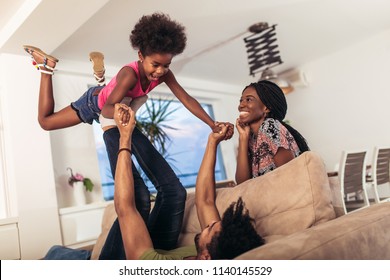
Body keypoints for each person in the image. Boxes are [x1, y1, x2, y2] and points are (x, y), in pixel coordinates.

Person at [23, 12, 232, 258]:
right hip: (98, 106)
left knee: (120, 100)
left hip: (121, 104)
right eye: (156, 64)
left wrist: (211, 123)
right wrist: (120, 108)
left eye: (166, 65)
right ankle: (47, 68)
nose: (160, 71)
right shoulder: (129, 73)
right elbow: (107, 109)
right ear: (140, 56)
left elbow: (185, 98)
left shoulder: (164, 74)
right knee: (46, 122)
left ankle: (101, 80)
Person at [113, 103, 264, 260]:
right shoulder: (212, 250)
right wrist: (213, 142)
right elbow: (205, 200)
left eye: (210, 228)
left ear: (206, 258)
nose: (208, 224)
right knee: (174, 193)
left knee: (140, 199)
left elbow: (124, 207)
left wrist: (124, 137)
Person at [235, 80, 309, 185]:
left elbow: (290, 179)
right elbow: (242, 184)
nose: (241, 105)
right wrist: (242, 138)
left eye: (248, 99)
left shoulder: (270, 127)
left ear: (266, 108)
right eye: (241, 100)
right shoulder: (251, 138)